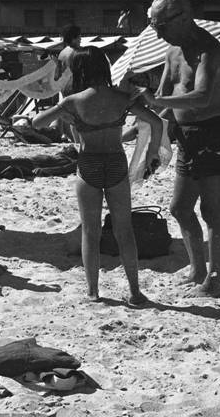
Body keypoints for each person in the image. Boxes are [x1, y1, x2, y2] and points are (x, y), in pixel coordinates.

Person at [32, 46, 162, 306]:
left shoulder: (74, 101)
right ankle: (135, 292)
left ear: (79, 71)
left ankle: (93, 292)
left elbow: (37, 123)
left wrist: (67, 114)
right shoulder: (121, 98)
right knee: (124, 231)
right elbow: (156, 123)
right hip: (115, 163)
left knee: (90, 232)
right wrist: (151, 156)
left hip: (89, 163)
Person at [133, 0, 220, 297]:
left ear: (184, 17)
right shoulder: (173, 52)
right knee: (179, 208)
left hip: (212, 133)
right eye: (154, 27)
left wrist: (156, 100)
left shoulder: (208, 52)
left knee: (212, 210)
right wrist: (136, 114)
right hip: (187, 136)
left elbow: (201, 96)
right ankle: (197, 270)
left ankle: (214, 280)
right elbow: (162, 102)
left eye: (161, 26)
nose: (158, 33)